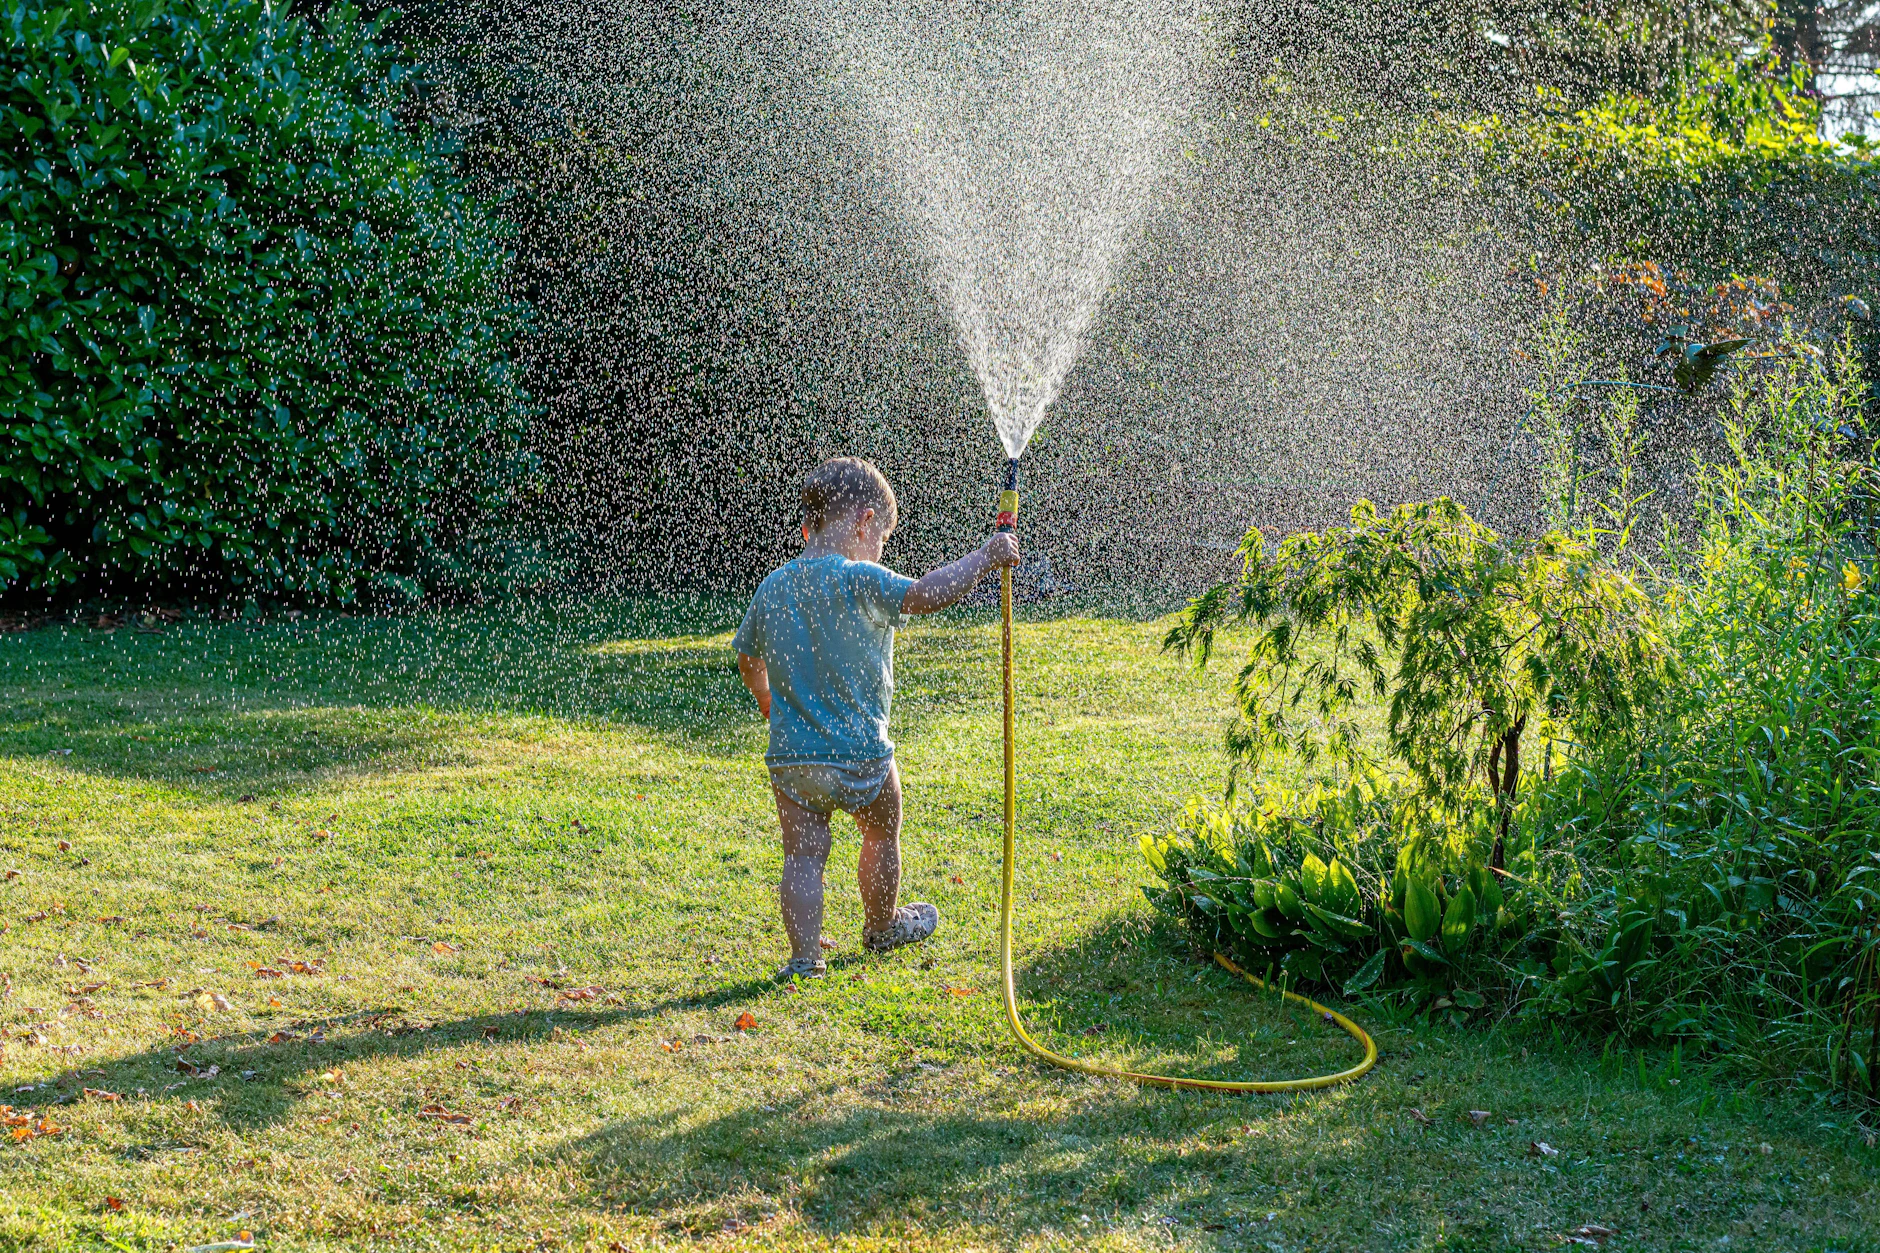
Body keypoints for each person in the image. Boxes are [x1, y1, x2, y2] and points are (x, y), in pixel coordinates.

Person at [734, 456, 1020, 980]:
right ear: (865, 522)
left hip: (794, 759)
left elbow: (748, 659)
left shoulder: (773, 587)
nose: (879, 549)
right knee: (882, 833)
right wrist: (984, 558)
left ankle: (803, 961)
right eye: (883, 538)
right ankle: (882, 925)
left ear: (808, 525)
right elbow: (924, 595)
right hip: (863, 753)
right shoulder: (860, 577)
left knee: (803, 855)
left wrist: (766, 698)